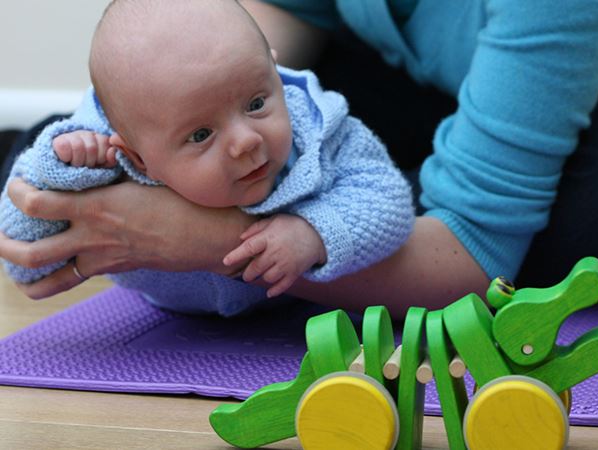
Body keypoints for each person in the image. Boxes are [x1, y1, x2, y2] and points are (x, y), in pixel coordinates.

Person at [0, 0, 598, 318]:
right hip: (427, 86)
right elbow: (253, 44)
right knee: (209, 115)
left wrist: (203, 240)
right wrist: (131, 146)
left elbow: (477, 253)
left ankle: (352, 232)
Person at [0, 0, 414, 316]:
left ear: (273, 71)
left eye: (256, 102)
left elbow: (390, 200)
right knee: (30, 147)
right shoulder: (109, 157)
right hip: (167, 335)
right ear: (140, 159)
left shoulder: (319, 130)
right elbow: (27, 263)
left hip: (282, 327)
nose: (246, 141)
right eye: (201, 135)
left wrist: (314, 233)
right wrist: (60, 170)